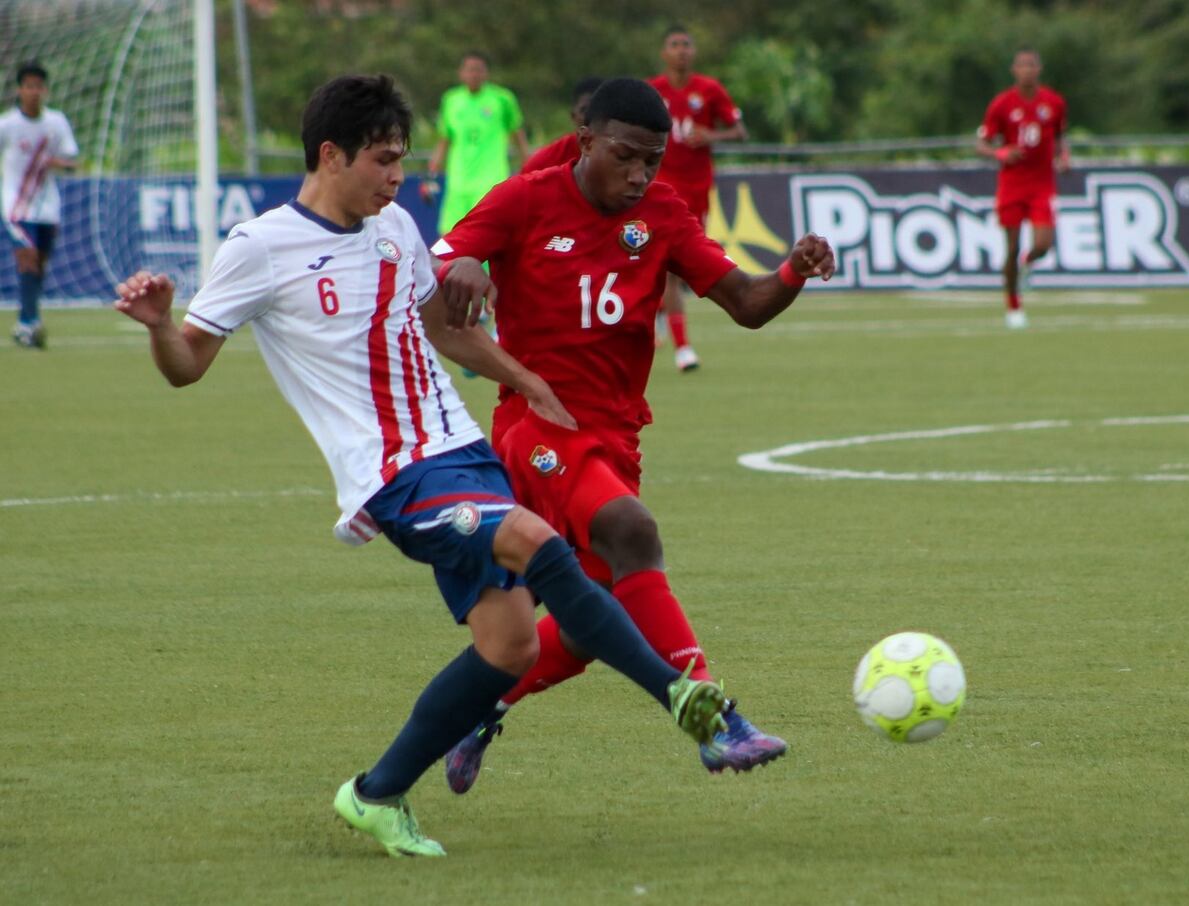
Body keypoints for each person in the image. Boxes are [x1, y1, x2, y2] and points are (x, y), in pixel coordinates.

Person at [112, 74, 733, 860]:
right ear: (331, 155)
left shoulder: (397, 226)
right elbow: (186, 366)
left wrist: (524, 378)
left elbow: (445, 327)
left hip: (461, 450)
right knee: (538, 540)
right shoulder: (260, 247)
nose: (397, 176)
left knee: (512, 648)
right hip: (393, 475)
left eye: (402, 158)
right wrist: (162, 324)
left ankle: (374, 794)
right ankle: (678, 693)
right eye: (381, 160)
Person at [431, 77, 835, 794]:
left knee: (594, 620)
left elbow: (744, 303)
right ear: (586, 140)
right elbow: (439, 265)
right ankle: (714, 718)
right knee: (633, 532)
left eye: (652, 160)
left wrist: (791, 272)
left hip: (616, 437)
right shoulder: (526, 198)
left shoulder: (662, 212)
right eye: (625, 156)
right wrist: (459, 263)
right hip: (538, 423)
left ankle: (476, 710)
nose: (640, 175)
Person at [647, 25, 746, 371]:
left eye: (686, 45)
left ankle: (660, 312)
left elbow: (740, 131)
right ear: (664, 53)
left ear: (694, 52)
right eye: (674, 45)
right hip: (657, 188)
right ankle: (683, 348)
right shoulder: (651, 91)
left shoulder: (708, 89)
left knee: (680, 267)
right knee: (667, 267)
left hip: (696, 188)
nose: (681, 51)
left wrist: (712, 134)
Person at [976, 47, 1068, 330]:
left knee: (1044, 243)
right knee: (1011, 246)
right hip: (1013, 185)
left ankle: (1029, 263)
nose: (1027, 70)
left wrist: (1063, 156)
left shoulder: (1053, 102)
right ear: (1014, 70)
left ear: (1039, 69)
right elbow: (982, 144)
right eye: (1022, 65)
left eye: (1032, 65)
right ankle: (1013, 307)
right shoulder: (1002, 104)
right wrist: (1001, 154)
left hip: (1042, 184)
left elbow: (1061, 137)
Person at [0, 61, 78, 349]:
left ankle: (28, 318)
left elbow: (72, 160)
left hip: (47, 207)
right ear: (19, 89)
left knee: (40, 264)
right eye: (28, 86)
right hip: (16, 206)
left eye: (38, 86)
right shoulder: (7, 124)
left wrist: (59, 163)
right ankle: (28, 323)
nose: (34, 92)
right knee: (28, 257)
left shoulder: (56, 122)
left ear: (45, 90)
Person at [422, 51, 528, 237]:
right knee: (450, 234)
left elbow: (517, 133)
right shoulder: (451, 100)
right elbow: (444, 139)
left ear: (486, 73)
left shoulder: (502, 99)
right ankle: (452, 267)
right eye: (470, 70)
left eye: (479, 70)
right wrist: (431, 173)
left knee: (488, 232)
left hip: (491, 180)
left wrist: (527, 163)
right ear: (461, 73)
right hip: (459, 181)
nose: (474, 74)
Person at [520, 77, 603, 175]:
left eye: (600, 110)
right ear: (573, 116)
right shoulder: (541, 165)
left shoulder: (622, 160)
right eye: (584, 110)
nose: (591, 117)